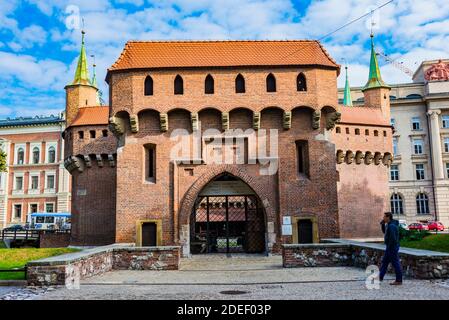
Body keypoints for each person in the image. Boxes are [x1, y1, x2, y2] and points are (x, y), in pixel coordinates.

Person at [379, 212, 403, 285]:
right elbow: (385, 232)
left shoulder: (392, 226)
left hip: (392, 247)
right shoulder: (388, 225)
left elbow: (393, 238)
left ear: (388, 217)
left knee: (396, 263)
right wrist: (382, 225)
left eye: (384, 217)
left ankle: (399, 280)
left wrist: (390, 247)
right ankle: (380, 277)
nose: (383, 218)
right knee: (385, 262)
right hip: (390, 247)